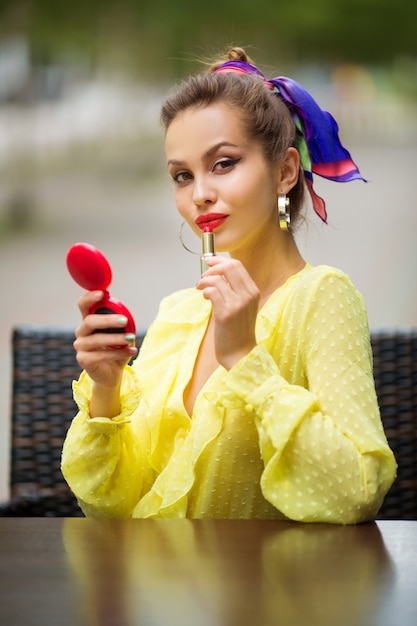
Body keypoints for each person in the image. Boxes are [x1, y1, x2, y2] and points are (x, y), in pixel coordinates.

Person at [61, 46, 396, 523]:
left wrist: (246, 358)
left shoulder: (321, 297)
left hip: (262, 593)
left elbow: (359, 492)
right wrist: (106, 390)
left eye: (223, 164)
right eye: (182, 175)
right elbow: (110, 507)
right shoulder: (180, 312)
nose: (200, 194)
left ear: (284, 171)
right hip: (154, 591)